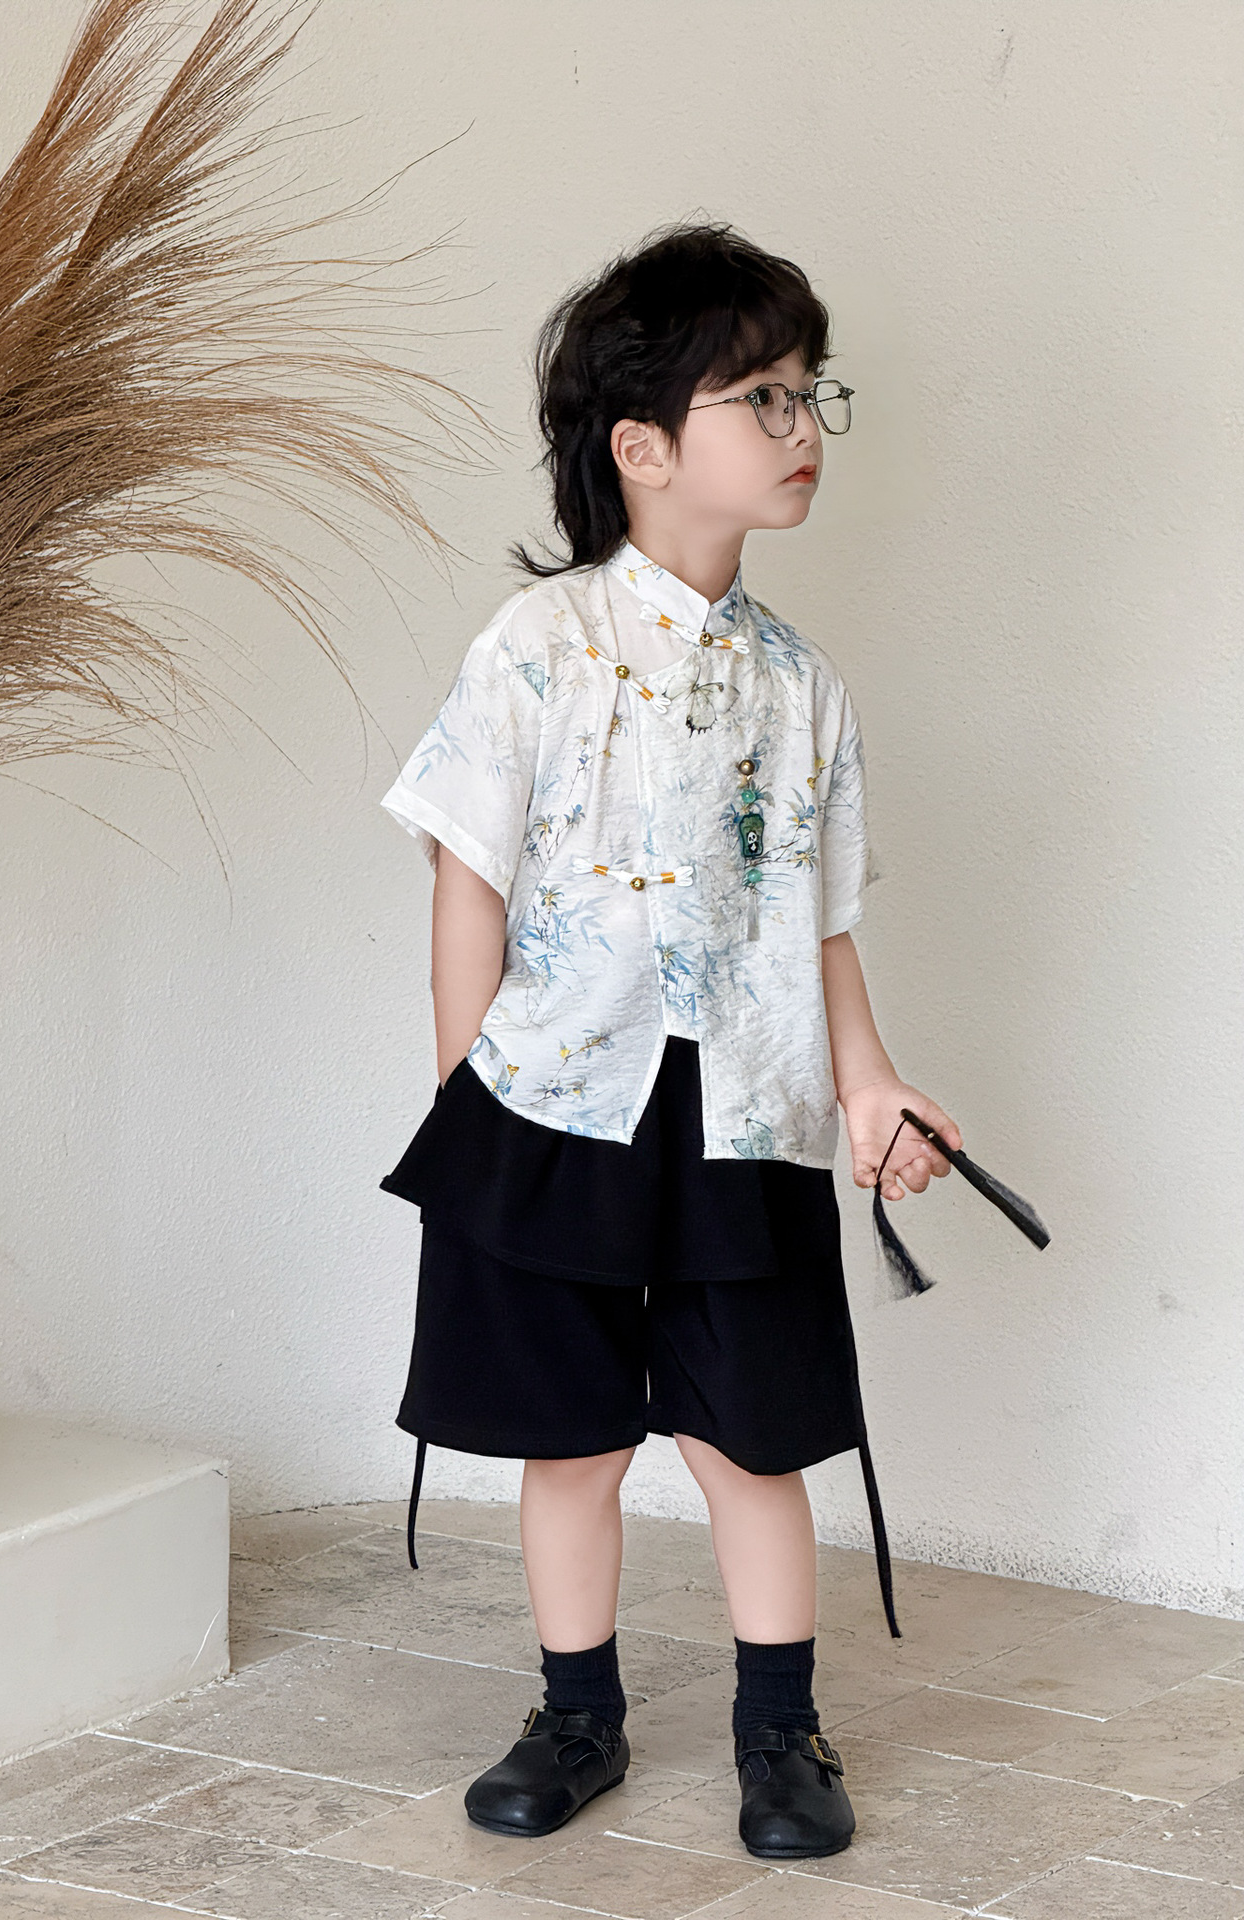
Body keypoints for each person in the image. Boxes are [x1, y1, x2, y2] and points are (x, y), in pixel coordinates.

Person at [376, 222, 962, 1863]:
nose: (801, 428)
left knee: (747, 1435)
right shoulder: (536, 647)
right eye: (760, 397)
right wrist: (468, 1104)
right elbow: (466, 880)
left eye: (810, 394)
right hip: (551, 1101)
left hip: (745, 1111)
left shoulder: (804, 689)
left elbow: (816, 923)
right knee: (567, 1438)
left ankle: (782, 1732)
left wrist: (867, 1084)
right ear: (641, 447)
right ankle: (578, 1715)